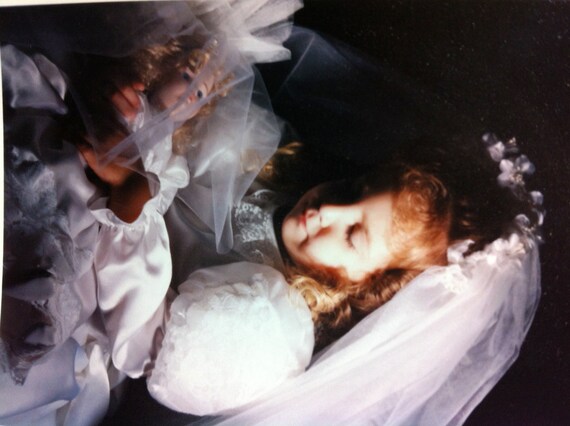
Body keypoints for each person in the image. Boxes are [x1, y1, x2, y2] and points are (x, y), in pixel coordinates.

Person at [0, 1, 302, 425]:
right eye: (187, 75)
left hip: (97, 227)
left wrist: (135, 191)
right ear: (160, 58)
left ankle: (36, 311)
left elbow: (141, 224)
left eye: (201, 94)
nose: (191, 93)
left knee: (62, 269)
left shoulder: (167, 164)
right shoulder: (117, 91)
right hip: (60, 170)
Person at [146, 132, 543, 421]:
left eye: (354, 236)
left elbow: (138, 331)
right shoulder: (280, 170)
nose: (329, 211)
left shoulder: (264, 325)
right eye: (355, 189)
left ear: (372, 288)